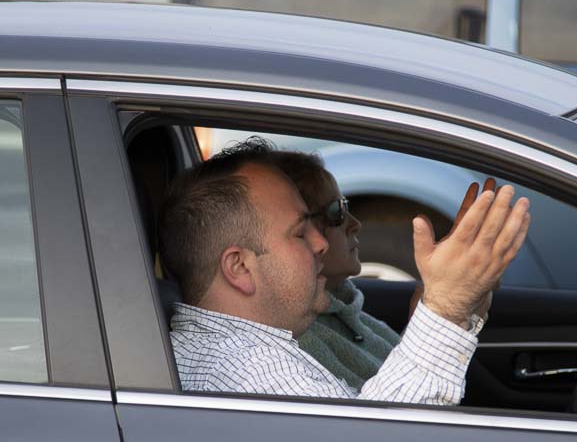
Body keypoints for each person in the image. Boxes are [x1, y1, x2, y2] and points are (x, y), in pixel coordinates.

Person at [158, 138, 529, 404]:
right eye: (300, 232)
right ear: (239, 267)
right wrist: (445, 307)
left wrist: (456, 306)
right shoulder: (247, 370)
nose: (320, 243)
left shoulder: (246, 349)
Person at [272, 149, 490, 391]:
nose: (355, 224)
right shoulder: (295, 345)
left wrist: (448, 313)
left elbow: (393, 382)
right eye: (336, 212)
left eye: (345, 206)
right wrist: (443, 313)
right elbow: (381, 420)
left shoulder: (344, 307)